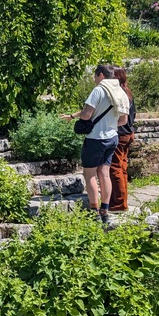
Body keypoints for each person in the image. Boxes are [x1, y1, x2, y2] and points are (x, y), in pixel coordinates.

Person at [61, 64, 129, 223]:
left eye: (94, 76)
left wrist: (89, 120)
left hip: (95, 138)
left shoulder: (99, 90)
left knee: (89, 173)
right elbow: (123, 120)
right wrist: (109, 124)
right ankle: (105, 210)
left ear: (100, 75)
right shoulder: (121, 91)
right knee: (104, 173)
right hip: (113, 138)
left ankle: (94, 211)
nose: (94, 80)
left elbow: (86, 115)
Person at [109, 67, 136, 212]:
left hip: (120, 134)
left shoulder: (119, 94)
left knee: (115, 169)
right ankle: (122, 200)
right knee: (122, 168)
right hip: (128, 133)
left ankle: (118, 204)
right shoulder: (128, 92)